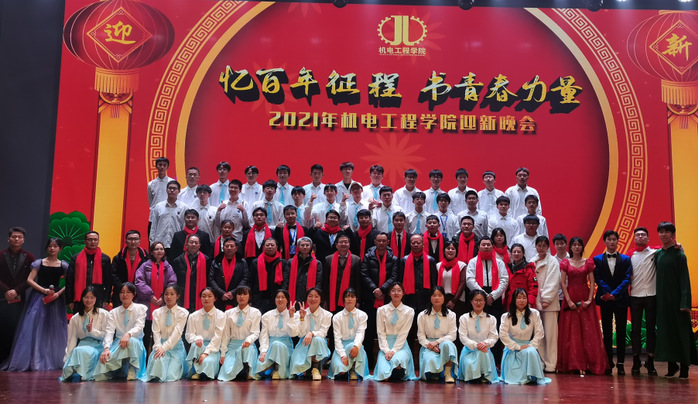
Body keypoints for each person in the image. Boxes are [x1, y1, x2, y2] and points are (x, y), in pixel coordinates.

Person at [2, 237, 67, 371]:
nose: (52, 248)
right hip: (39, 298)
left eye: (55, 246)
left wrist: (58, 293)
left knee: (53, 329)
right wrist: (43, 290)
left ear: (60, 249)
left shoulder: (63, 265)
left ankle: (51, 358)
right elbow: (30, 280)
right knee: (35, 327)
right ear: (46, 247)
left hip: (55, 299)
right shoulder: (39, 263)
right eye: (50, 246)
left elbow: (69, 282)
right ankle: (35, 359)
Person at [557, 237, 608, 375]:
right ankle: (573, 364)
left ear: (582, 247)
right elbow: (563, 283)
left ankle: (590, 364)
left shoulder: (588, 262)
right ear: (570, 247)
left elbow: (592, 281)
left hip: (585, 297)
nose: (576, 247)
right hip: (571, 296)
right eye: (574, 245)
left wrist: (590, 300)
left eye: (579, 245)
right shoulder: (565, 263)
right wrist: (569, 301)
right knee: (571, 331)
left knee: (588, 330)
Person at [654, 221, 697, 379]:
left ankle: (684, 367)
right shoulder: (658, 255)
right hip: (663, 301)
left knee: (681, 334)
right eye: (661, 231)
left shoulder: (680, 255)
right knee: (667, 333)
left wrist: (685, 303)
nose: (663, 234)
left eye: (667, 232)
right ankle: (672, 366)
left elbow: (685, 280)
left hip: (678, 302)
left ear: (673, 234)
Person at [593, 230, 631, 375]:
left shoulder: (626, 259)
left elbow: (627, 279)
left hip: (621, 300)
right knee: (607, 332)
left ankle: (621, 363)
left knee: (621, 332)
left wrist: (615, 294)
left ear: (618, 241)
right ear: (605, 241)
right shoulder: (597, 259)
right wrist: (608, 293)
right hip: (605, 300)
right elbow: (598, 278)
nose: (612, 242)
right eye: (609, 239)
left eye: (614, 239)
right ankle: (608, 362)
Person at [465, 236, 508, 363]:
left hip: (495, 298)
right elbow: (470, 280)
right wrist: (483, 296)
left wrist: (493, 296)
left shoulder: (499, 262)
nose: (486, 247)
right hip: (477, 297)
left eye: (488, 244)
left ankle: (495, 362)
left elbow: (504, 280)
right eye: (483, 245)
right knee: (476, 326)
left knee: (494, 328)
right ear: (479, 247)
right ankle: (475, 359)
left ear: (492, 246)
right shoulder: (473, 262)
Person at [360, 233, 398, 366]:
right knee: (369, 331)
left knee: (386, 330)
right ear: (375, 242)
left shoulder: (393, 258)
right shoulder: (367, 257)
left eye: (384, 241)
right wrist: (374, 289)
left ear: (388, 242)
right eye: (379, 240)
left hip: (387, 299)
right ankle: (369, 362)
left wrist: (382, 289)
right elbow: (364, 274)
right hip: (370, 299)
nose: (381, 243)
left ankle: (387, 360)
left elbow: (394, 276)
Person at [95, 282, 147, 381]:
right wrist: (106, 348)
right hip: (118, 344)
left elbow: (139, 326)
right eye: (122, 292)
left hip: (135, 343)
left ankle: (132, 369)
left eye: (128, 292)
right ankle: (117, 371)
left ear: (134, 294)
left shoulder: (141, 309)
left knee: (131, 341)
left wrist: (128, 334)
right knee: (102, 368)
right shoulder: (113, 312)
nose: (125, 295)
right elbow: (109, 332)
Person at [499, 288, 550, 385]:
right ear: (514, 300)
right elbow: (503, 335)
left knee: (531, 351)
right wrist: (517, 347)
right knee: (529, 352)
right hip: (512, 349)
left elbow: (539, 332)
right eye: (519, 298)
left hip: (528, 346)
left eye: (524, 298)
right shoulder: (506, 316)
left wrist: (531, 345)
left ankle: (531, 376)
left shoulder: (534, 314)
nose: (522, 300)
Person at [0, 227, 35, 363]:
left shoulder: (29, 257)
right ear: (8, 239)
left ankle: (11, 359)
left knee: (16, 328)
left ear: (23, 240)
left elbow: (29, 279)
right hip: (2, 298)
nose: (16, 239)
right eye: (14, 236)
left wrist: (16, 291)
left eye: (19, 237)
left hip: (19, 298)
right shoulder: (1, 255)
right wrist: (7, 290)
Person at [134, 241, 177, 350]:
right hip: (147, 303)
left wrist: (163, 297)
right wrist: (150, 296)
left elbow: (172, 282)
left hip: (163, 303)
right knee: (145, 333)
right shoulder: (144, 266)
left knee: (159, 334)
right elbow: (139, 282)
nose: (159, 251)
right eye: (156, 249)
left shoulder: (168, 267)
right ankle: (144, 357)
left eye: (161, 249)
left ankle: (157, 356)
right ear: (152, 252)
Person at [628, 227, 658, 375]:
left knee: (651, 329)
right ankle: (636, 361)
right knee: (635, 330)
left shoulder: (655, 253)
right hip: (635, 296)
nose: (640, 237)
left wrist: (679, 246)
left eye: (643, 235)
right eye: (638, 235)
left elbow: (672, 249)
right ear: (634, 238)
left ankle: (650, 361)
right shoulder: (629, 256)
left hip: (652, 295)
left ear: (648, 238)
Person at [144, 284, 189, 382]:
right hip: (159, 347)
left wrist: (165, 348)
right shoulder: (157, 312)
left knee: (170, 376)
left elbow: (177, 333)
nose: (168, 297)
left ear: (178, 296)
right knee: (158, 369)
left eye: (172, 294)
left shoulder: (183, 313)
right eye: (166, 294)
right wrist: (159, 347)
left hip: (175, 347)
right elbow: (156, 332)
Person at [62, 286, 108, 382]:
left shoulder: (103, 314)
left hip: (98, 345)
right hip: (82, 345)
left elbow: (105, 335)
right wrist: (67, 358)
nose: (89, 300)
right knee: (77, 352)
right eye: (86, 297)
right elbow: (71, 340)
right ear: (82, 298)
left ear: (96, 299)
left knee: (85, 352)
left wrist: (92, 331)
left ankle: (84, 375)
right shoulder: (75, 318)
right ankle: (77, 372)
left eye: (92, 297)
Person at [374, 283, 417, 381]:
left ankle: (398, 373)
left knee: (397, 361)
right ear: (389, 293)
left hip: (401, 346)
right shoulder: (381, 310)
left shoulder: (409, 311)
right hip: (385, 345)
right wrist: (386, 350)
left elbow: (404, 333)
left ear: (403, 293)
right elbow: (380, 332)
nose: (396, 293)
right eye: (393, 290)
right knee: (383, 376)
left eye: (399, 290)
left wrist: (394, 350)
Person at [218, 286, 262, 381]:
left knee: (247, 349)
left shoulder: (255, 312)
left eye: (245, 294)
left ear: (249, 297)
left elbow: (255, 332)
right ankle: (238, 371)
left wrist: (248, 341)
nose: (241, 296)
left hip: (247, 344)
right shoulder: (228, 313)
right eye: (239, 294)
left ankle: (248, 369)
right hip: (232, 346)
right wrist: (223, 353)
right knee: (227, 373)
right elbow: (225, 335)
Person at [289, 288, 332, 380]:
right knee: (294, 368)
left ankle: (315, 368)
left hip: (320, 343)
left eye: (316, 296)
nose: (313, 299)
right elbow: (300, 334)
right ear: (306, 298)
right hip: (304, 342)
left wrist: (312, 333)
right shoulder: (300, 313)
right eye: (310, 296)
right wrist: (301, 318)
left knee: (317, 339)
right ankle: (308, 369)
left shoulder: (327, 315)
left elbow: (323, 333)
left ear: (321, 299)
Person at [417, 286, 458, 382]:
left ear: (444, 297)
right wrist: (430, 345)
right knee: (430, 361)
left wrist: (437, 342)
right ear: (430, 297)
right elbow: (421, 336)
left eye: (440, 295)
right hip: (428, 345)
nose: (437, 298)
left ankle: (447, 373)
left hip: (444, 343)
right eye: (434, 295)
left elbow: (452, 335)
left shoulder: (451, 315)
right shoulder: (422, 315)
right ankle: (434, 373)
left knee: (448, 345)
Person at [458, 290, 500, 383]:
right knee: (470, 364)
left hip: (485, 350)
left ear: (485, 302)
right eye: (476, 300)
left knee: (482, 353)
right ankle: (475, 376)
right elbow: (463, 337)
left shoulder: (491, 319)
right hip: (469, 351)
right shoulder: (464, 318)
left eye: (481, 300)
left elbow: (494, 337)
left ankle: (484, 375)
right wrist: (476, 345)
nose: (478, 303)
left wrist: (485, 343)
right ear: (471, 301)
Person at [257, 289, 300, 379]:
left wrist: (291, 317)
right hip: (270, 347)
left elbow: (294, 334)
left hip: (286, 347)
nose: (280, 299)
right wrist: (263, 351)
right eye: (278, 297)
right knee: (257, 370)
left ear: (287, 300)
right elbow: (264, 335)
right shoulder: (267, 316)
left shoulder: (294, 315)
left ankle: (278, 369)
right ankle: (273, 367)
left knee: (277, 345)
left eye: (283, 297)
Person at [328, 288, 370, 380]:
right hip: (341, 348)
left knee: (353, 347)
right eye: (347, 297)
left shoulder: (362, 315)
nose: (349, 299)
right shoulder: (337, 317)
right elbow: (337, 338)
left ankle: (353, 368)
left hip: (356, 347)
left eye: (352, 296)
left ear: (356, 299)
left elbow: (360, 333)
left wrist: (356, 346)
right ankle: (348, 368)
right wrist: (343, 355)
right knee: (341, 371)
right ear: (343, 300)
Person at [533, 235, 561, 373]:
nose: (541, 248)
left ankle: (551, 364)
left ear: (548, 247)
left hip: (549, 304)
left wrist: (546, 299)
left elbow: (553, 281)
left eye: (544, 246)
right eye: (539, 245)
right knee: (538, 334)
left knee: (550, 335)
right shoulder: (532, 261)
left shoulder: (553, 261)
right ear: (535, 246)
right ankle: (541, 363)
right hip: (535, 302)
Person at [185, 287, 226, 380]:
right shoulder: (193, 316)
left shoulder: (221, 315)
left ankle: (202, 370)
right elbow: (188, 335)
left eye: (209, 296)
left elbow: (218, 336)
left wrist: (206, 353)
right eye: (203, 296)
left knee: (208, 362)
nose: (206, 299)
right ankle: (197, 371)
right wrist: (196, 338)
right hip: (198, 348)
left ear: (215, 298)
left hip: (213, 348)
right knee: (196, 345)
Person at [66, 231, 112, 309]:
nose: (93, 242)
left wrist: (106, 299)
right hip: (80, 297)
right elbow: (69, 280)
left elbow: (108, 282)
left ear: (98, 241)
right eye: (90, 239)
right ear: (85, 241)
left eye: (95, 239)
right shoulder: (76, 258)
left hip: (98, 297)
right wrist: (70, 300)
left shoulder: (105, 259)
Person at [209, 237, 250, 311]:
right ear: (223, 248)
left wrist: (233, 292)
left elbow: (245, 278)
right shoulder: (216, 262)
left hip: (236, 296)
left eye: (232, 246)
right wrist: (222, 293)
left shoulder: (242, 262)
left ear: (236, 248)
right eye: (227, 246)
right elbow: (211, 279)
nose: (229, 248)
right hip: (219, 297)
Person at [401, 234, 438, 315]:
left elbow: (434, 282)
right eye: (413, 243)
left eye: (418, 243)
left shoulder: (430, 260)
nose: (416, 245)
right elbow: (400, 280)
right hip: (409, 299)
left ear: (423, 244)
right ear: (410, 244)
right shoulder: (404, 260)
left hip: (425, 299)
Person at [323, 234, 361, 313]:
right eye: (341, 242)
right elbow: (325, 281)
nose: (343, 244)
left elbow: (358, 282)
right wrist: (324, 300)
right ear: (336, 245)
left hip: (349, 297)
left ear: (349, 244)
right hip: (332, 297)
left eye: (346, 242)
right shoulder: (328, 259)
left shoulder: (356, 260)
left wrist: (358, 300)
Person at [172, 235, 210, 313]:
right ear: (186, 245)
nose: (193, 244)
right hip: (183, 297)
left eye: (196, 243)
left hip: (200, 295)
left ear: (199, 246)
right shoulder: (178, 261)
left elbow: (209, 279)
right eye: (191, 242)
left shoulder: (207, 260)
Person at [111, 230, 148, 307]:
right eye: (130, 239)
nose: (133, 242)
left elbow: (148, 276)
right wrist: (124, 289)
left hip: (139, 294)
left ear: (139, 241)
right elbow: (113, 276)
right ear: (125, 241)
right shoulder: (118, 258)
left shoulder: (146, 258)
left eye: (136, 239)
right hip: (120, 293)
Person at [283, 237, 323, 304]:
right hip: (294, 293)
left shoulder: (317, 263)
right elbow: (286, 280)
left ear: (311, 246)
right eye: (302, 245)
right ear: (298, 246)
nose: (305, 247)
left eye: (307, 245)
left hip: (309, 294)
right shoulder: (290, 262)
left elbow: (318, 282)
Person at [252, 238, 286, 313]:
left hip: (276, 298)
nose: (270, 247)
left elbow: (285, 282)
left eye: (272, 245)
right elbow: (251, 281)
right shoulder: (255, 262)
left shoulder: (282, 262)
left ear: (276, 247)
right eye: (267, 245)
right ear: (264, 247)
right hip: (259, 298)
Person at [149, 180, 186, 250]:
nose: (172, 190)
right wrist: (152, 244)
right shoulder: (158, 206)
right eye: (170, 188)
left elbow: (184, 227)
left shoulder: (183, 207)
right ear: (166, 190)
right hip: (160, 244)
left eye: (174, 188)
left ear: (179, 191)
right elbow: (153, 227)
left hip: (177, 244)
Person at [437, 240, 467, 317]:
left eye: (453, 249)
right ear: (444, 251)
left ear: (456, 251)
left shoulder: (462, 265)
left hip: (458, 299)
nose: (450, 250)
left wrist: (453, 301)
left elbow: (462, 284)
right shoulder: (438, 265)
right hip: (441, 299)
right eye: (448, 248)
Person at [503, 244, 538, 310]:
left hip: (525, 303)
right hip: (510, 303)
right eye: (514, 252)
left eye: (519, 252)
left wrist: (529, 302)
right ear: (511, 253)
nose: (516, 254)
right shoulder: (508, 269)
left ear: (523, 253)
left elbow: (533, 288)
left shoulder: (529, 269)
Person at [147, 157, 174, 232]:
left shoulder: (172, 182)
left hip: (168, 214)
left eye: (164, 165)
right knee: (152, 237)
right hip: (154, 216)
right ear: (156, 166)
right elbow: (151, 202)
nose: (162, 167)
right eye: (160, 165)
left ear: (167, 167)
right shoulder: (151, 184)